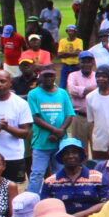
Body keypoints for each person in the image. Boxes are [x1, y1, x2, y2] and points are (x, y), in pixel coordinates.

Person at [26, 65, 74, 194]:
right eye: (45, 75)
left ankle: (59, 198)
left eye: (51, 75)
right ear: (40, 76)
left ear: (55, 76)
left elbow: (69, 114)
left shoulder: (62, 93)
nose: (48, 78)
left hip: (59, 142)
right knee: (37, 173)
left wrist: (60, 131)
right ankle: (31, 200)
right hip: (41, 142)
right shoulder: (33, 94)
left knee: (59, 173)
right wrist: (55, 130)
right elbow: (35, 118)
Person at [39, 137, 109, 217]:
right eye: (66, 153)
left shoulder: (97, 177)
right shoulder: (50, 182)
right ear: (61, 156)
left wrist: (80, 215)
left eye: (74, 153)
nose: (71, 156)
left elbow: (107, 202)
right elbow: (45, 206)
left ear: (80, 155)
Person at [0, 71, 32, 183]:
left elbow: (25, 133)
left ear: (10, 83)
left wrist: (7, 128)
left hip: (13, 156)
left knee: (12, 191)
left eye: (3, 81)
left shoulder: (20, 104)